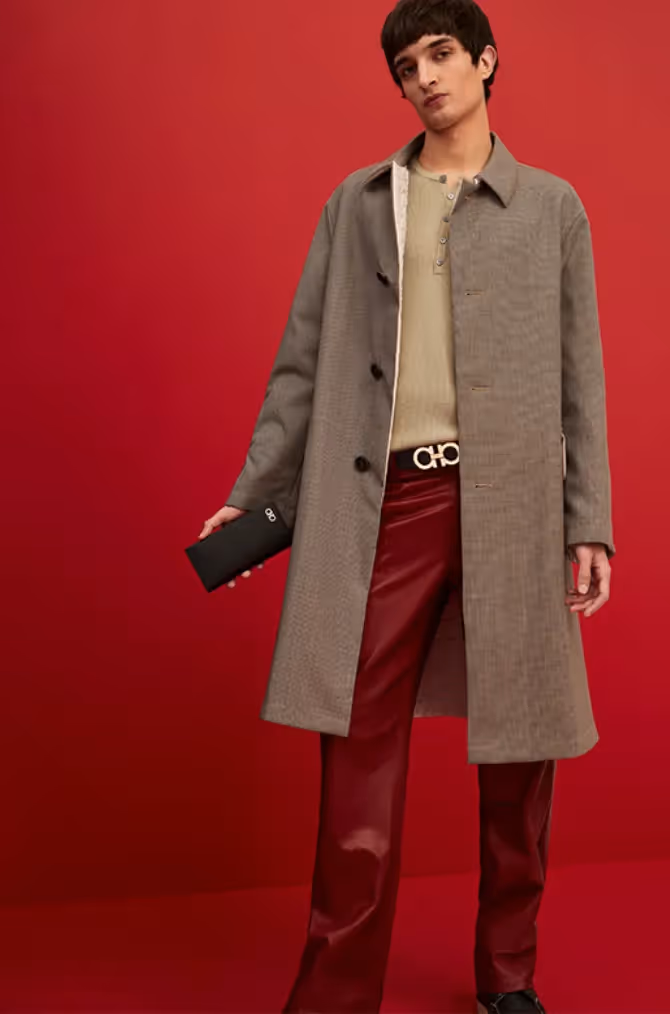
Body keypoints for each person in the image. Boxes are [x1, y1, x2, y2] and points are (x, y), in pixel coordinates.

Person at [198, 1, 615, 1011]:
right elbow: (302, 365)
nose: (423, 77)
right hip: (389, 500)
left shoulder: (551, 208)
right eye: (404, 66)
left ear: (485, 60)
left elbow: (580, 379)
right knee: (357, 746)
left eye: (439, 54)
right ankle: (336, 993)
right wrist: (252, 496)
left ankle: (507, 979)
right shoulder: (358, 204)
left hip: (515, 504)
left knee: (521, 757)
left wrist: (588, 521)